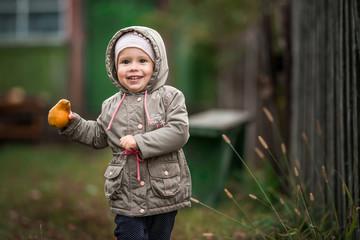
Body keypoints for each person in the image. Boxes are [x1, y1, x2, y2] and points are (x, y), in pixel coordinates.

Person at [53, 26, 192, 240]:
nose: (133, 68)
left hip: (163, 191)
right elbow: (99, 135)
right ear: (114, 66)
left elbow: (178, 132)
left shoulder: (170, 98)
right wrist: (72, 124)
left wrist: (140, 141)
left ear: (157, 64)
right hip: (127, 192)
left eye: (142, 61)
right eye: (125, 62)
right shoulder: (110, 105)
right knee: (130, 235)